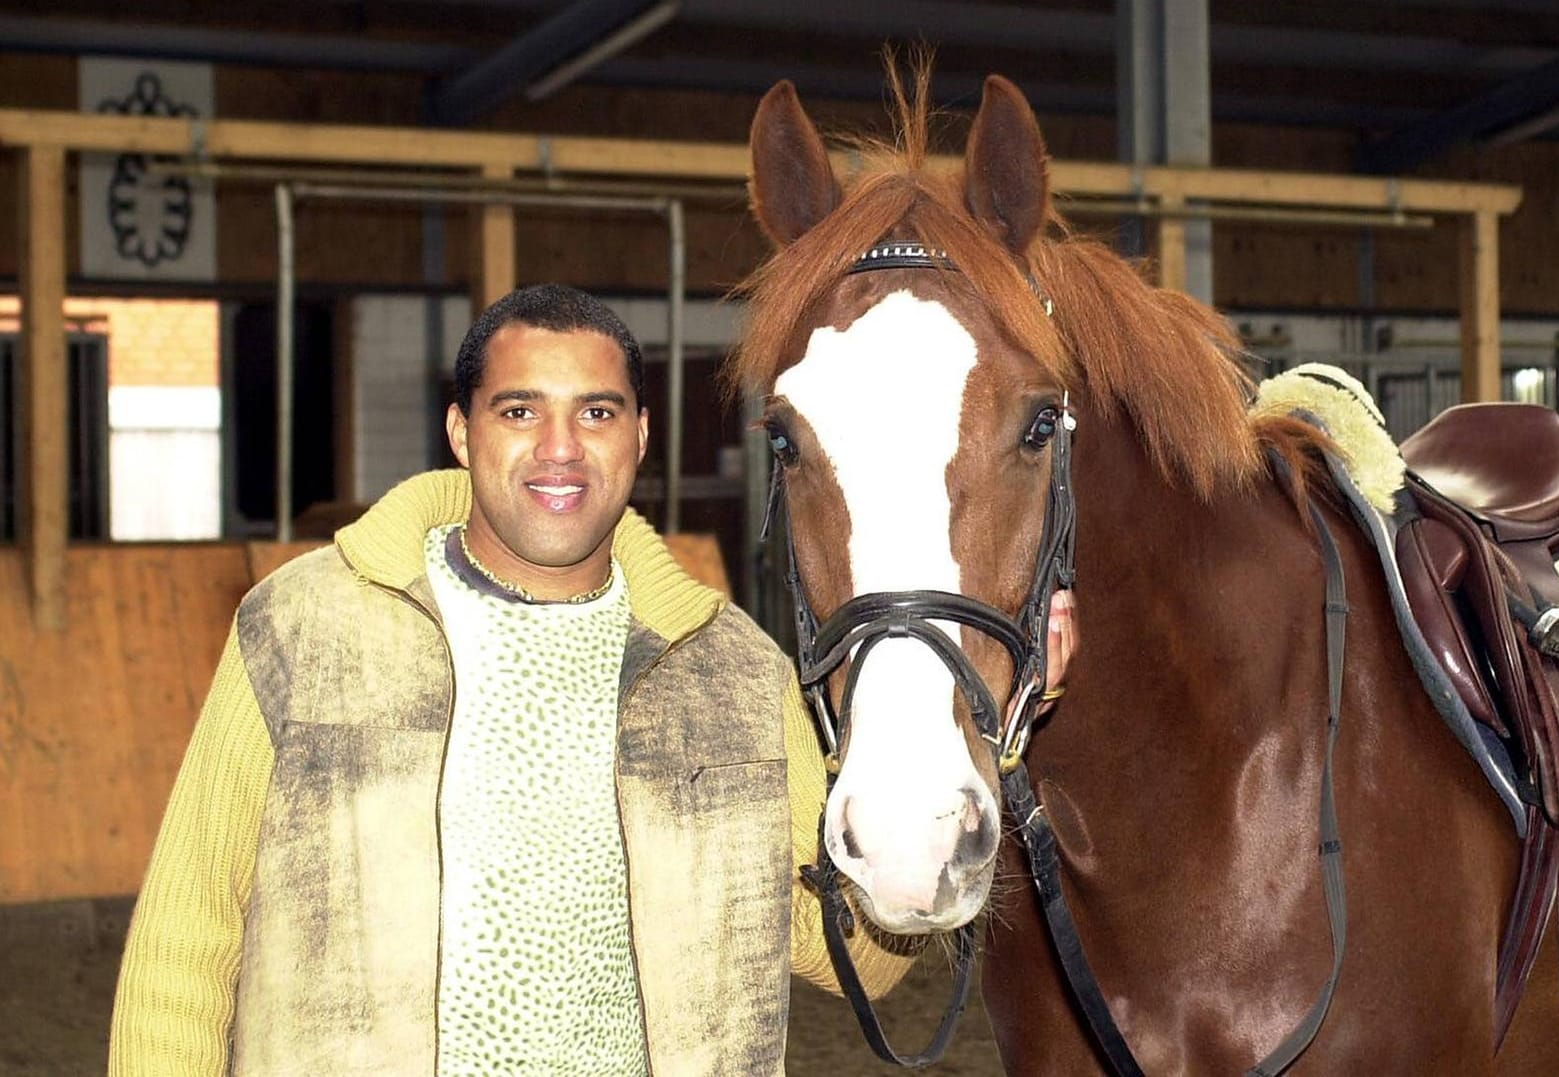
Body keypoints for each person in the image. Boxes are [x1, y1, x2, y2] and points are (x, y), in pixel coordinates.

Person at [108, 283, 1074, 1075]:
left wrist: (991, 731)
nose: (560, 448)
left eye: (596, 412)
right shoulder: (302, 626)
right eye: (520, 410)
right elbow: (184, 947)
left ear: (641, 437)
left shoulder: (735, 672)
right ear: (461, 430)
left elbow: (852, 952)